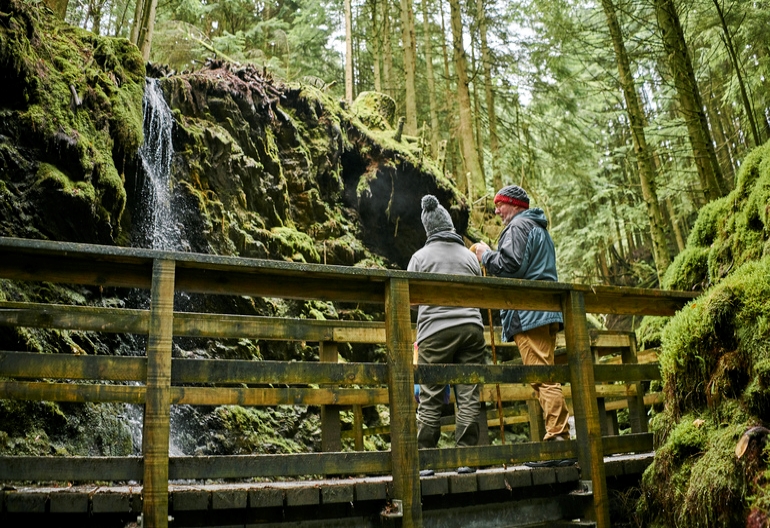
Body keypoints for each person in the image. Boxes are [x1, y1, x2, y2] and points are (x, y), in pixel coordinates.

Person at [473, 185, 574, 468]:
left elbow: (510, 265)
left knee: (542, 376)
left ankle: (559, 443)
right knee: (544, 374)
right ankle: (559, 440)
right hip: (544, 312)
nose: (496, 211)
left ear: (514, 205)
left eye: (500, 205)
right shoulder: (539, 229)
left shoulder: (518, 227)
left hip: (530, 314)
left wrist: (484, 255)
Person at [408, 195, 487, 475]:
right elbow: (479, 293)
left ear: (428, 229)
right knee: (468, 393)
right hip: (471, 328)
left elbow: (411, 301)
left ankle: (427, 460)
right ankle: (466, 459)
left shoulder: (419, 257)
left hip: (435, 332)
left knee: (430, 393)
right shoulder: (468, 256)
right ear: (449, 225)